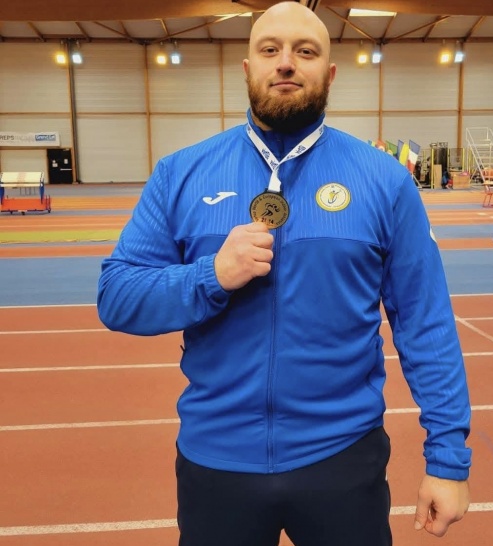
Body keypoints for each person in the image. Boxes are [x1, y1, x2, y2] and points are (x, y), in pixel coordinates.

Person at [97, 2, 471, 545]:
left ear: (330, 73)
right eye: (270, 49)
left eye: (305, 51)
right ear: (248, 67)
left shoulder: (384, 181)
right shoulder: (180, 173)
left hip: (343, 459)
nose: (287, 63)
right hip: (216, 463)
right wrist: (211, 275)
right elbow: (117, 295)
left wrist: (448, 459)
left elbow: (425, 321)